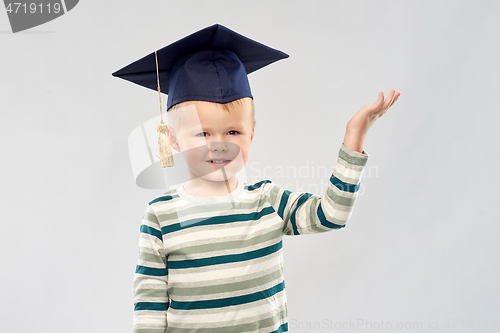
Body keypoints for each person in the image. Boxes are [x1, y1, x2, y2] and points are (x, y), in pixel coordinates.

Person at [113, 24, 401, 333]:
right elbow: (149, 307)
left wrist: (353, 137)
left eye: (233, 132)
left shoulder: (269, 201)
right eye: (203, 133)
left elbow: (332, 215)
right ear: (172, 139)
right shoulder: (161, 215)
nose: (220, 144)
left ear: (252, 132)